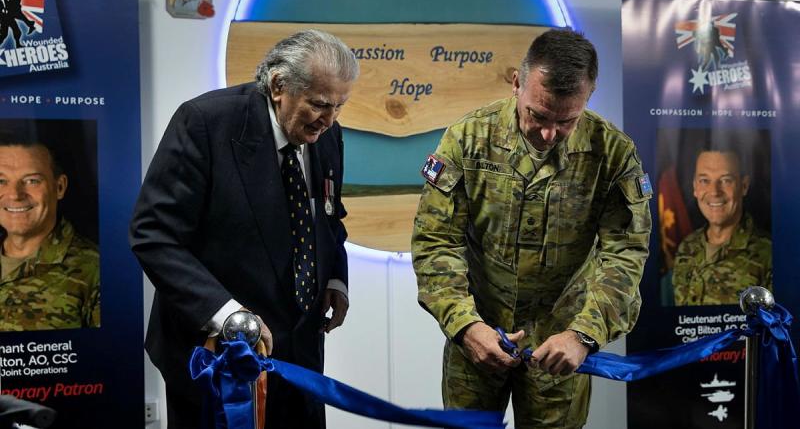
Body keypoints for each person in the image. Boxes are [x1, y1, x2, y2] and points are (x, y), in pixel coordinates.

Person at [411, 29, 652, 428]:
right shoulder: (470, 138)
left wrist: (583, 334)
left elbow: (624, 254)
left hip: (561, 344)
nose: (548, 134)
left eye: (565, 121)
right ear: (517, 82)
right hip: (478, 335)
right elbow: (437, 241)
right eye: (537, 115)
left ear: (588, 97)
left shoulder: (612, 154)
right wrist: (465, 325)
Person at [129, 29, 357, 429]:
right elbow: (154, 233)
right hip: (215, 352)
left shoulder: (327, 132)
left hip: (299, 353)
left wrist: (336, 277)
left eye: (340, 105)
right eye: (320, 104)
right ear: (278, 86)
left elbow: (327, 214)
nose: (330, 119)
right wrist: (227, 315)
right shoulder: (206, 122)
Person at [0, 138, 100, 331]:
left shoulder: (97, 270)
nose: (15, 194)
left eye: (32, 180)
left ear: (59, 187)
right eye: (1, 181)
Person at [671, 149, 771, 306]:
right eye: (704, 181)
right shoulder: (686, 247)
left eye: (725, 180)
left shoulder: (769, 253)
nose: (714, 192)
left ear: (744, 186)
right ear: (695, 187)